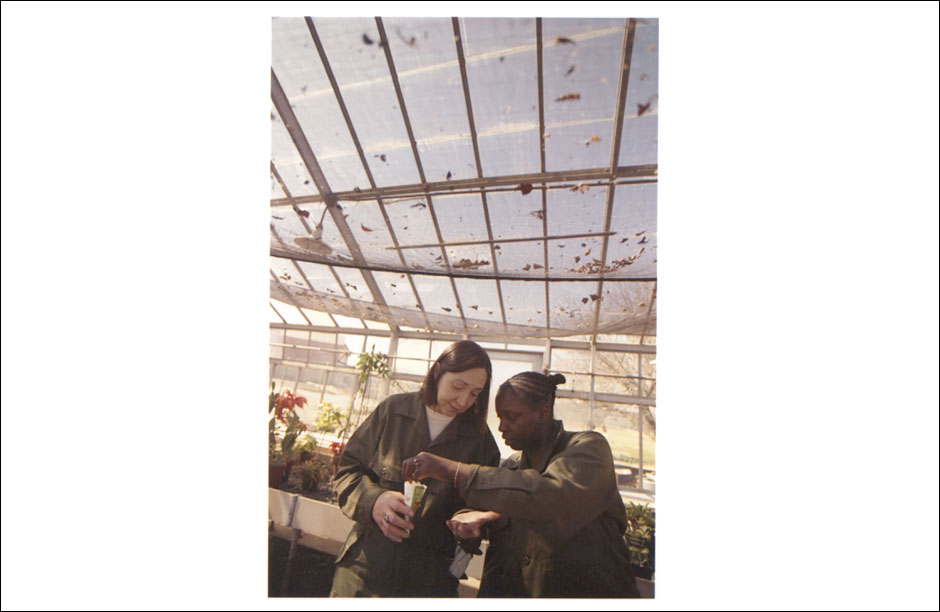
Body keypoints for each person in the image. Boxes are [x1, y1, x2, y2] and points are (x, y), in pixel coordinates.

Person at [402, 371, 640, 598]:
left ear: (543, 412)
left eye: (512, 417)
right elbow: (505, 516)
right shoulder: (512, 467)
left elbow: (547, 496)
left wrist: (451, 470)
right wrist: (471, 524)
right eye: (500, 418)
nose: (502, 427)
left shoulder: (588, 450)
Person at [329, 340, 501, 597]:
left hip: (428, 580)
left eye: (475, 393)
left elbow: (480, 507)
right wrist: (375, 501)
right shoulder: (393, 411)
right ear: (437, 371)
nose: (464, 400)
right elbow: (348, 470)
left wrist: (470, 527)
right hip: (365, 569)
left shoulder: (481, 443)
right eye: (458, 386)